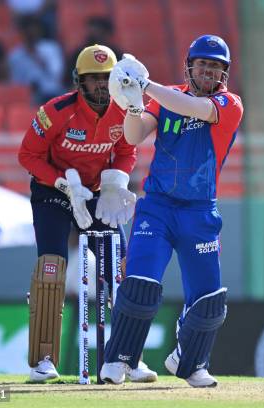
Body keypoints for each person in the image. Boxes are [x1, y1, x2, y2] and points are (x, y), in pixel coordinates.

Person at [100, 34, 243, 388]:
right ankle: (121, 359)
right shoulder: (165, 99)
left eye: (216, 66)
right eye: (203, 64)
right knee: (141, 285)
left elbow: (194, 109)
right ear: (189, 66)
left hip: (200, 213)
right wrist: (133, 104)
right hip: (158, 209)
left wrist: (145, 85)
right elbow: (134, 136)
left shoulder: (229, 103)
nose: (209, 71)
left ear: (225, 73)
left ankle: (190, 362)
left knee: (209, 299)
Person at [17, 44, 156, 383]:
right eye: (92, 80)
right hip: (54, 191)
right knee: (52, 268)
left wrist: (115, 183)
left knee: (122, 271)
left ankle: (128, 357)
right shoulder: (56, 110)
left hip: (96, 192)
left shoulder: (124, 111)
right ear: (78, 82)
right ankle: (44, 359)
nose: (99, 87)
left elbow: (126, 150)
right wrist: (62, 183)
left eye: (105, 80)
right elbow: (28, 156)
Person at [8, 15, 64, 104]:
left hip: (51, 93)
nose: (30, 34)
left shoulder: (51, 48)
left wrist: (36, 56)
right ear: (22, 32)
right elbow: (15, 82)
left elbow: (56, 74)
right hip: (28, 97)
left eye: (33, 30)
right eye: (27, 31)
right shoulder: (15, 55)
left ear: (39, 31)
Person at [65, 17, 123, 87]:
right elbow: (69, 80)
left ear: (107, 34)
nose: (92, 36)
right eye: (91, 33)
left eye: (97, 33)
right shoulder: (79, 54)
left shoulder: (116, 55)